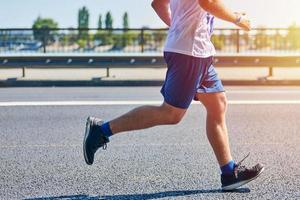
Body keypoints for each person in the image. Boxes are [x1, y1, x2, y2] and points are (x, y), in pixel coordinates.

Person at [83, 0, 264, 191]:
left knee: (217, 104)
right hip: (189, 53)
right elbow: (207, 2)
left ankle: (229, 173)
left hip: (198, 52)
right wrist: (237, 19)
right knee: (171, 113)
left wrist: (179, 25)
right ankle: (101, 131)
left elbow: (159, 4)